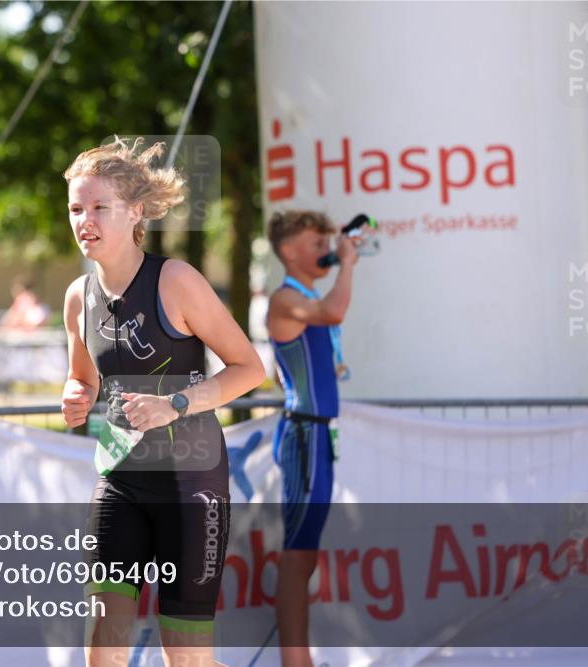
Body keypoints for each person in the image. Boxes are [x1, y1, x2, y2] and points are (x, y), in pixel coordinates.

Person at [60, 137, 265, 667]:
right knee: (103, 644)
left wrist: (174, 402)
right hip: (121, 479)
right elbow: (81, 379)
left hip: (191, 484)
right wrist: (76, 396)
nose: (85, 220)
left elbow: (250, 370)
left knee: (186, 656)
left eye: (99, 207)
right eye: (76, 209)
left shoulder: (175, 280)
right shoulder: (77, 299)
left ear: (136, 213)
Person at [264, 210, 359, 667]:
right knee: (298, 557)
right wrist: (348, 263)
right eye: (314, 242)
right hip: (304, 434)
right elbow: (335, 311)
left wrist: (343, 258)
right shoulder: (286, 299)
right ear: (288, 251)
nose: (325, 249)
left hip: (318, 435)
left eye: (326, 241)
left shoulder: (304, 296)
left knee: (306, 556)